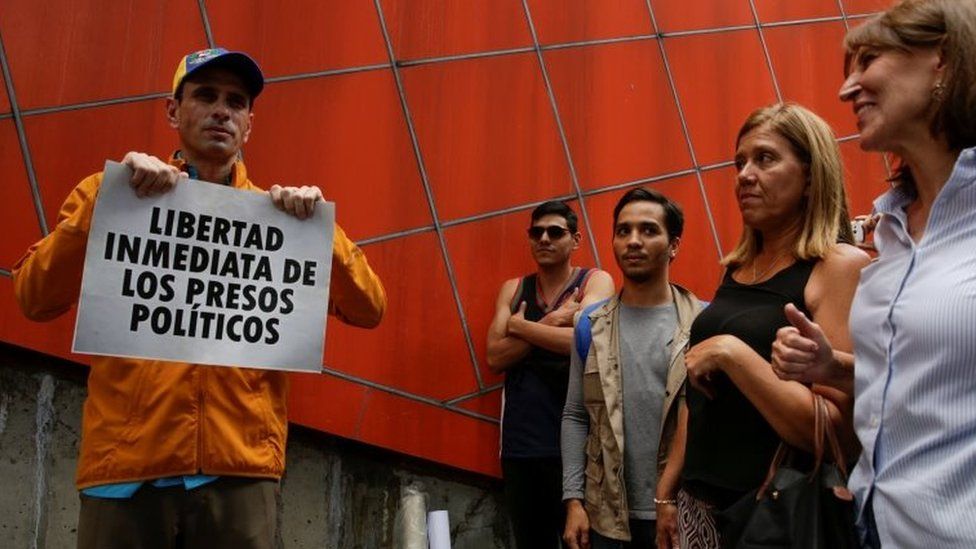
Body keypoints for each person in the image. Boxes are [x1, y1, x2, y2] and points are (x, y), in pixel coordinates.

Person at [12, 47, 386, 549]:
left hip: (240, 474)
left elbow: (369, 308)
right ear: (173, 111)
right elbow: (34, 297)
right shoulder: (109, 193)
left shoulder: (281, 220)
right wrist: (107, 204)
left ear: (249, 124)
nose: (221, 110)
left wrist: (321, 231)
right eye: (205, 96)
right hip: (126, 471)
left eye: (236, 101)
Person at [773, 1, 976, 546]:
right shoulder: (889, 225)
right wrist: (833, 368)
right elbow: (932, 380)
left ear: (944, 61)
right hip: (874, 526)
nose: (847, 90)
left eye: (869, 61)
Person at [675, 103, 869, 546]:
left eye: (765, 159)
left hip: (776, 512)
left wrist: (732, 352)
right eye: (739, 162)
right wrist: (669, 493)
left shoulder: (839, 265)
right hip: (700, 508)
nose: (744, 174)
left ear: (809, 176)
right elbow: (701, 394)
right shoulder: (740, 267)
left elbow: (832, 429)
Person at [562, 188, 703, 549]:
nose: (634, 241)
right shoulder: (590, 325)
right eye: (623, 231)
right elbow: (576, 415)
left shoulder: (704, 322)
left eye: (648, 230)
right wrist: (574, 501)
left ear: (674, 245)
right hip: (606, 516)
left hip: (684, 512)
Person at [487, 200, 614, 549]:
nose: (544, 238)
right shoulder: (513, 289)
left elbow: (585, 341)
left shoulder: (595, 281)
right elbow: (495, 356)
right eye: (536, 232)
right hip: (522, 446)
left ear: (575, 240)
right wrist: (550, 322)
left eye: (555, 232)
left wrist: (519, 327)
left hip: (581, 447)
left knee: (584, 542)